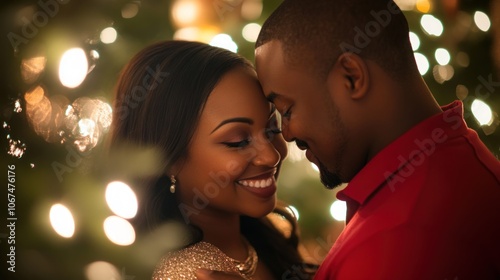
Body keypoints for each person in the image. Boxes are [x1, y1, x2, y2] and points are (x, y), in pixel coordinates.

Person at [197, 0, 500, 279]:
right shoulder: (455, 158)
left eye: (286, 110)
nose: (286, 136)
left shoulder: (398, 241)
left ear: (352, 77)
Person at [108, 40, 316, 279]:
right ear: (166, 158)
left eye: (271, 129)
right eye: (238, 141)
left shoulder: (260, 240)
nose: (272, 155)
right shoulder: (181, 274)